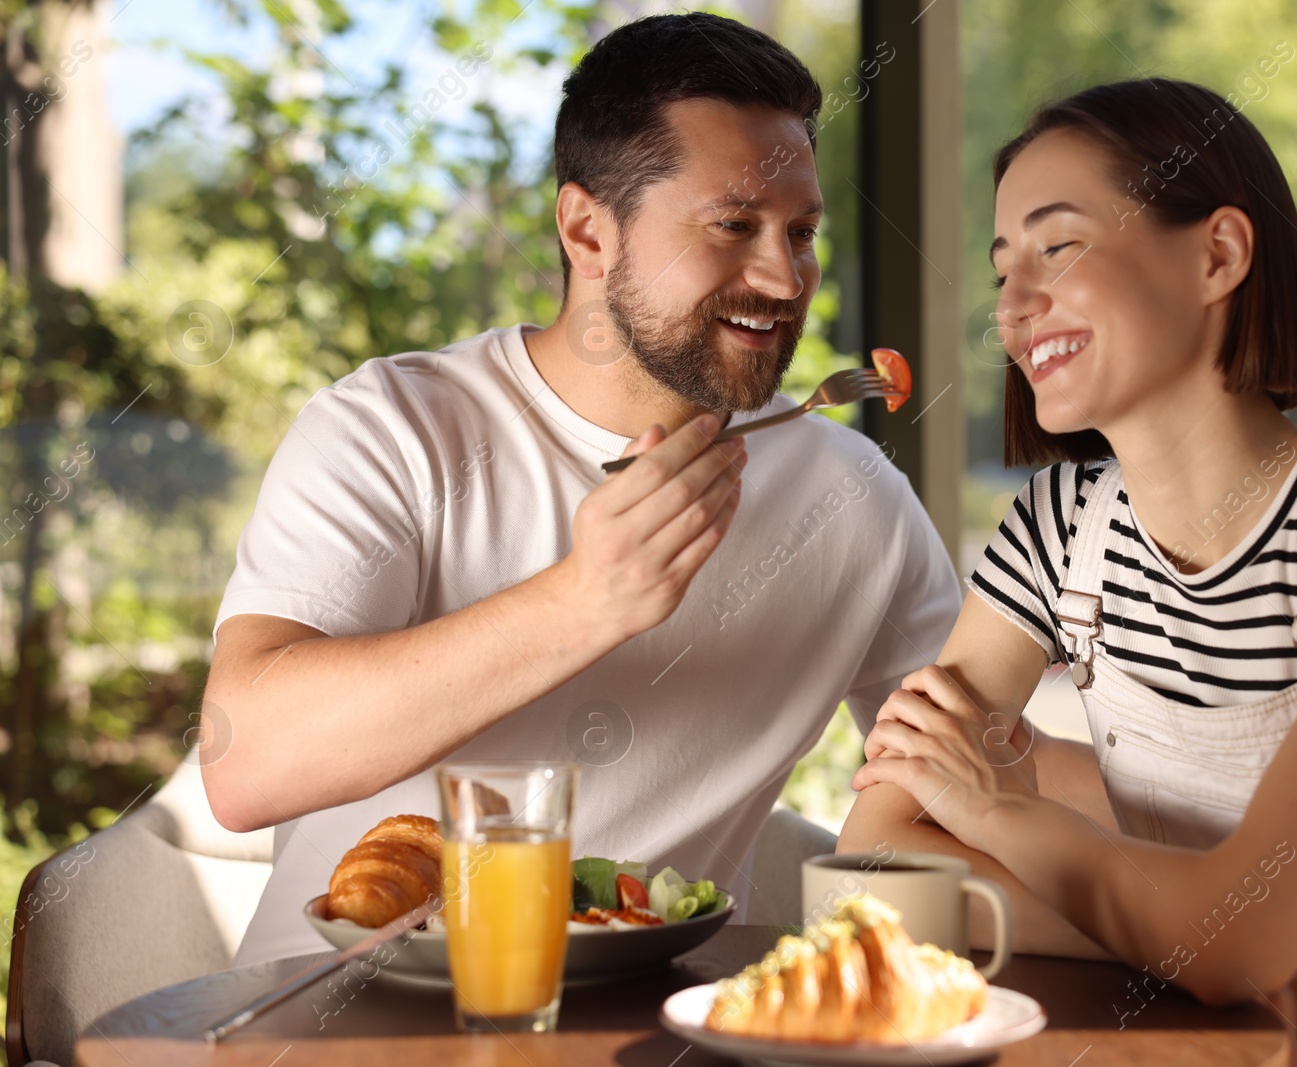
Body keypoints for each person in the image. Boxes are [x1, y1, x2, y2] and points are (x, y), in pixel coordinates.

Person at [839, 78, 1297, 1067]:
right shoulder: (1051, 530)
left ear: (1217, 254)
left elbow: (1237, 927)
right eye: (1000, 270)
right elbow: (873, 858)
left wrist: (996, 809)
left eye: (1056, 248)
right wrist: (1207, 952)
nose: (1013, 307)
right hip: (1230, 1037)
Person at [200, 12, 962, 966]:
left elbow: (970, 781)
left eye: (800, 231)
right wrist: (580, 602)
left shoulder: (854, 500)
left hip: (633, 1036)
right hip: (327, 1020)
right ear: (587, 230)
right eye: (734, 226)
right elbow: (243, 763)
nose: (783, 275)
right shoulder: (395, 427)